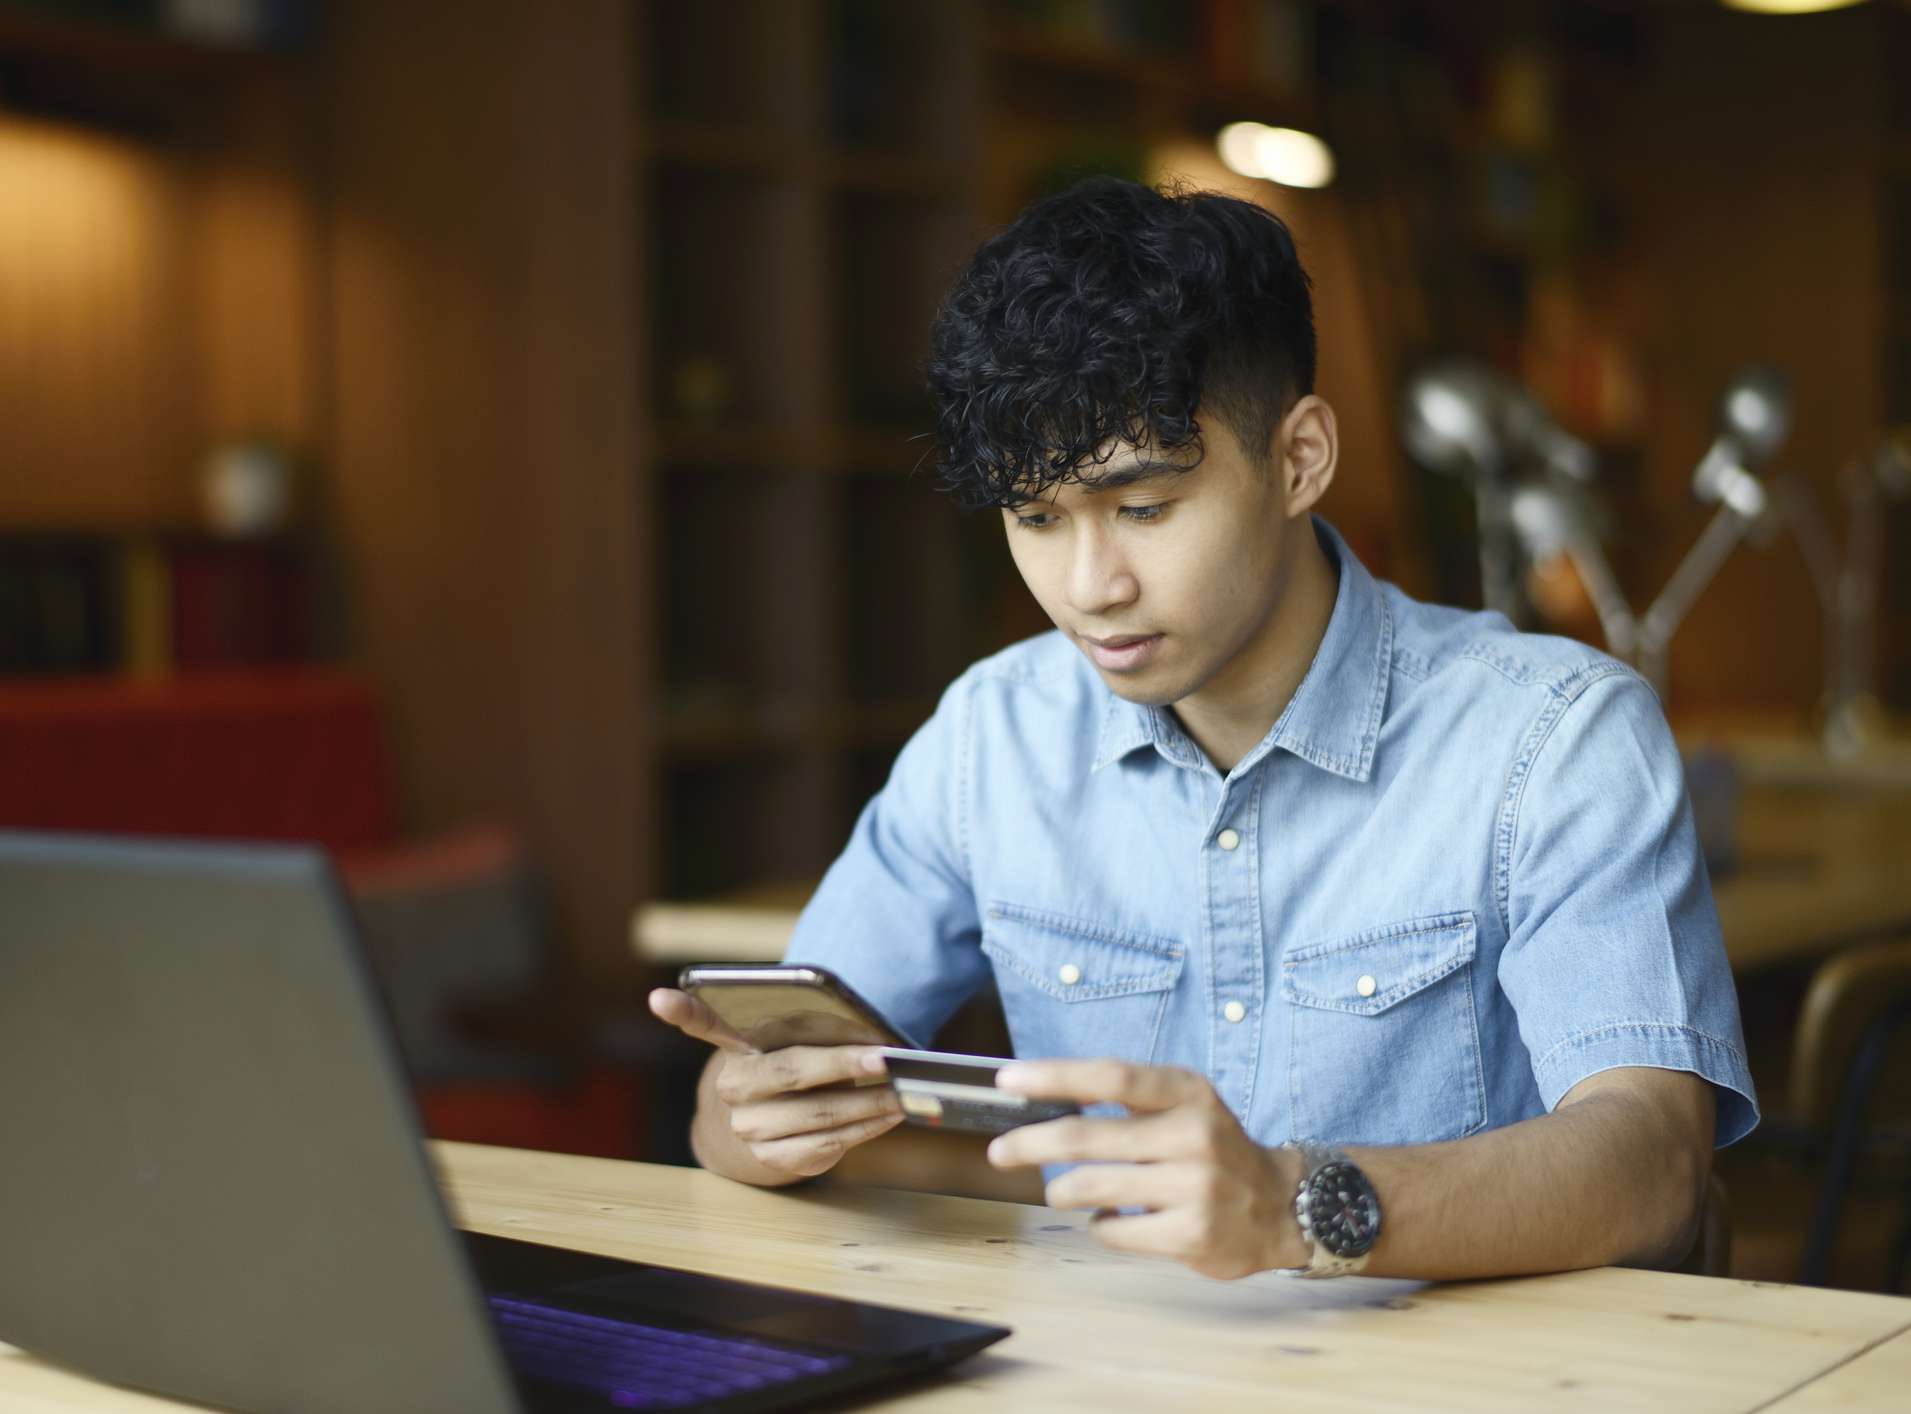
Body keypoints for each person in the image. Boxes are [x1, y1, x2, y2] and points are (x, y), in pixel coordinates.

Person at [649, 177, 1755, 1282]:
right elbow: (744, 1098)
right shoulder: (992, 736)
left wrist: (1293, 1207)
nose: (1088, 586)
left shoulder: (1553, 739)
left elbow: (1652, 1162)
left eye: (1143, 507)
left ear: (1298, 458)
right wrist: (746, 1118)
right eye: (1035, 519)